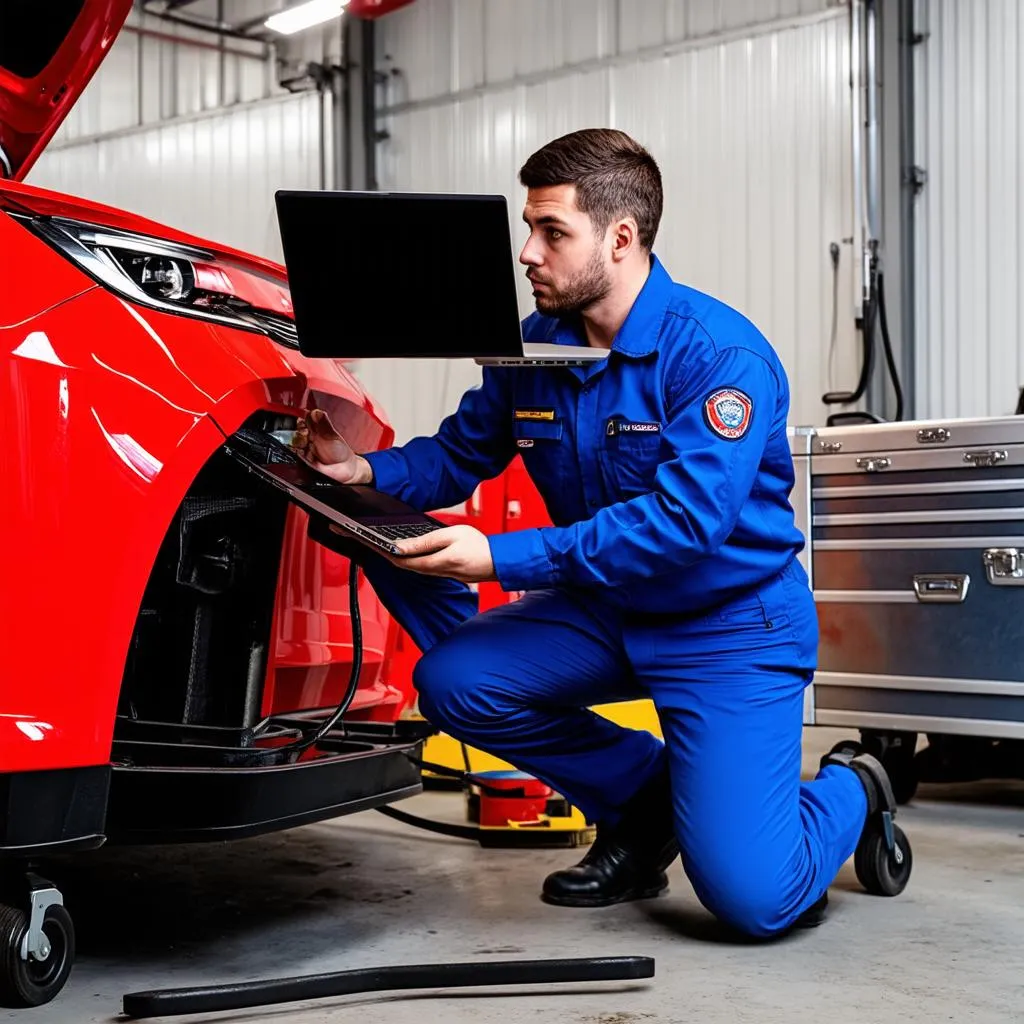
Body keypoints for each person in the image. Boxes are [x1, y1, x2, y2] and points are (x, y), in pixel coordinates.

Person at [294, 128, 910, 938]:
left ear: (621, 239)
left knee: (755, 899)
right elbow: (458, 453)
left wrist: (498, 557)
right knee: (455, 682)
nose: (526, 253)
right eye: (528, 227)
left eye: (552, 232)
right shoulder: (534, 345)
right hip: (606, 608)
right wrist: (365, 473)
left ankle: (852, 790)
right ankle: (645, 802)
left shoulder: (718, 355)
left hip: (727, 625)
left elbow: (684, 525)